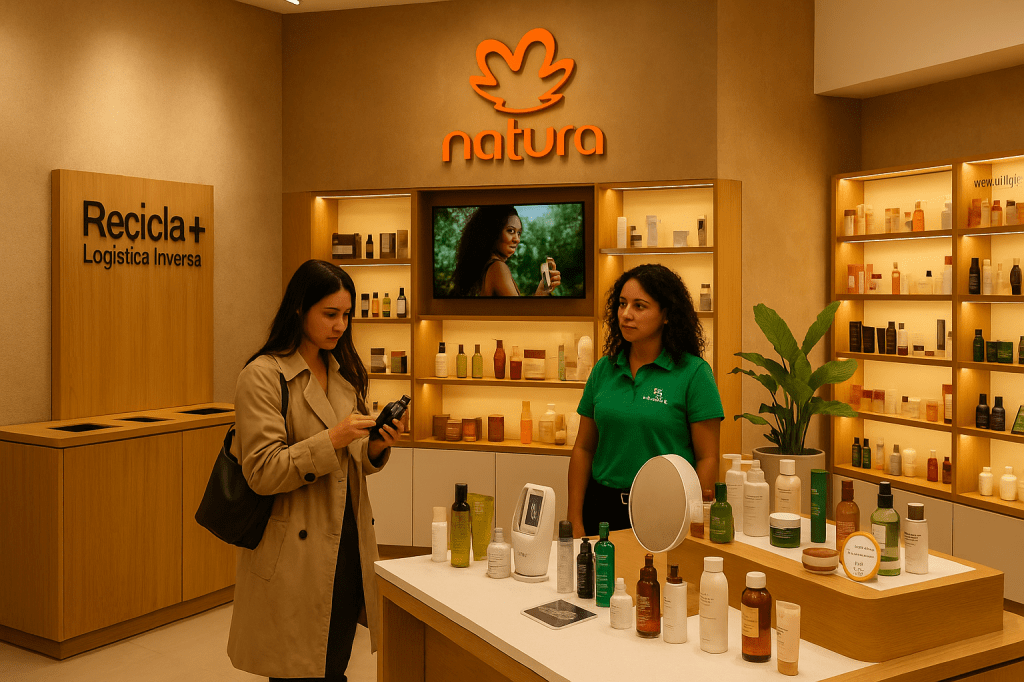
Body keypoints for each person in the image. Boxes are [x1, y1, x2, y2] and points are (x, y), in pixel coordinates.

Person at [227, 259, 407, 682]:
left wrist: (375, 445)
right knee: (296, 669)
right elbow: (263, 471)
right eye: (329, 314)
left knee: (332, 667)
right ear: (298, 308)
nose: (340, 325)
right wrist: (333, 439)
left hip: (347, 544)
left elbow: (351, 457)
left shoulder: (345, 373)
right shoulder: (262, 376)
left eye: (346, 315)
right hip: (294, 554)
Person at [567, 264, 723, 538]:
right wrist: (574, 518)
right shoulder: (604, 369)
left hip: (665, 508)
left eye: (639, 306)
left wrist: (695, 521)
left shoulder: (694, 373)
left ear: (666, 315)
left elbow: (707, 458)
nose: (626, 314)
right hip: (601, 508)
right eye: (622, 304)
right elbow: (583, 449)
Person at [449, 204, 561, 296]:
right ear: (492, 232)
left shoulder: (484, 267)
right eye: (510, 231)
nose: (517, 239)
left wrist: (542, 291)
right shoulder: (497, 268)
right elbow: (521, 315)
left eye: (519, 233)